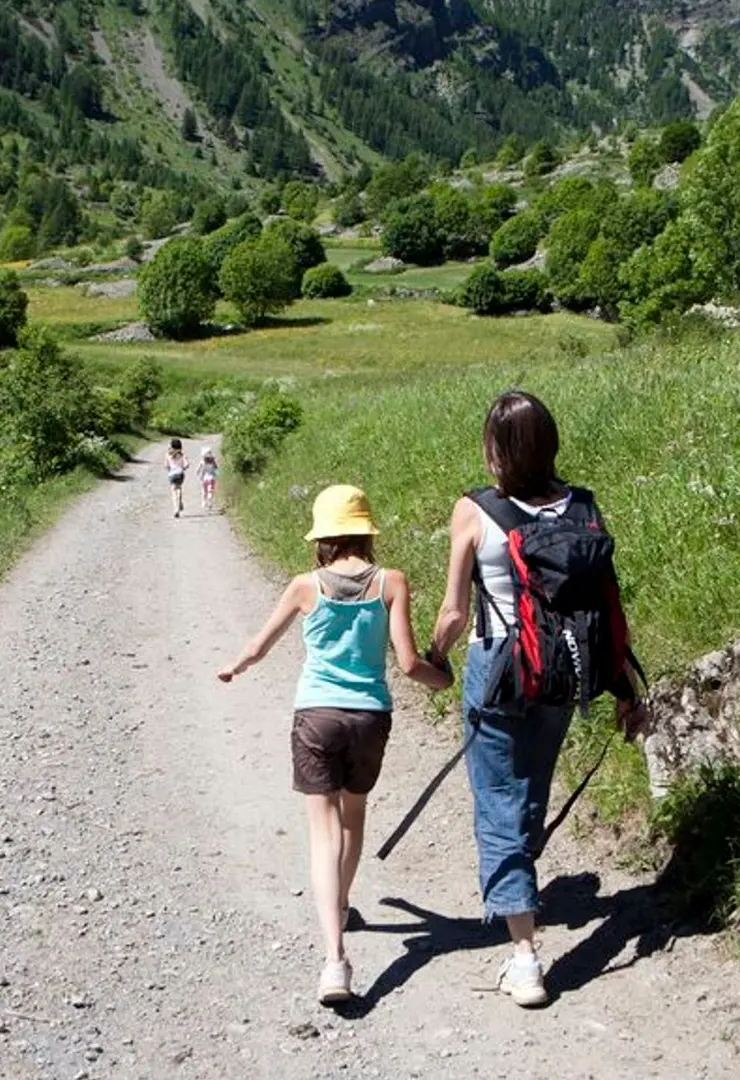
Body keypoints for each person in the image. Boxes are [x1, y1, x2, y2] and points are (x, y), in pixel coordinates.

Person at [429, 390, 647, 1009]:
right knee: (529, 789)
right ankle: (519, 886)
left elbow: (453, 611)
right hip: (564, 669)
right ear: (549, 442)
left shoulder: (475, 510)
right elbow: (605, 604)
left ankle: (524, 956)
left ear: (494, 450)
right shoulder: (583, 505)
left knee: (496, 798)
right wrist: (623, 686)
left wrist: (435, 657)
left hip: (499, 664)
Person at [218, 485, 453, 1004]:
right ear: (367, 533)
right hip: (370, 718)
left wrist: (235, 666)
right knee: (352, 818)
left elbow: (260, 644)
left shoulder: (305, 587)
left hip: (317, 717)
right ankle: (341, 902)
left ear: (322, 537)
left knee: (321, 836)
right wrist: (446, 681)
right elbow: (411, 664)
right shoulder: (391, 582)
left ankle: (334, 960)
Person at [164, 439, 188, 517]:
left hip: (172, 475)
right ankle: (180, 502)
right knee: (179, 488)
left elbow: (166, 466)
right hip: (180, 474)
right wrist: (183, 468)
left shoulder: (168, 454)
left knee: (173, 492)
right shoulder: (182, 454)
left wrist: (169, 469)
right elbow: (187, 464)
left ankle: (176, 509)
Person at [198, 446, 220, 512]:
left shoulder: (202, 461)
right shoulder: (213, 461)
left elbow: (199, 469)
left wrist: (198, 473)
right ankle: (209, 500)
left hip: (204, 478)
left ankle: (204, 502)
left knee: (204, 491)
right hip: (211, 478)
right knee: (210, 490)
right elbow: (216, 469)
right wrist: (217, 474)